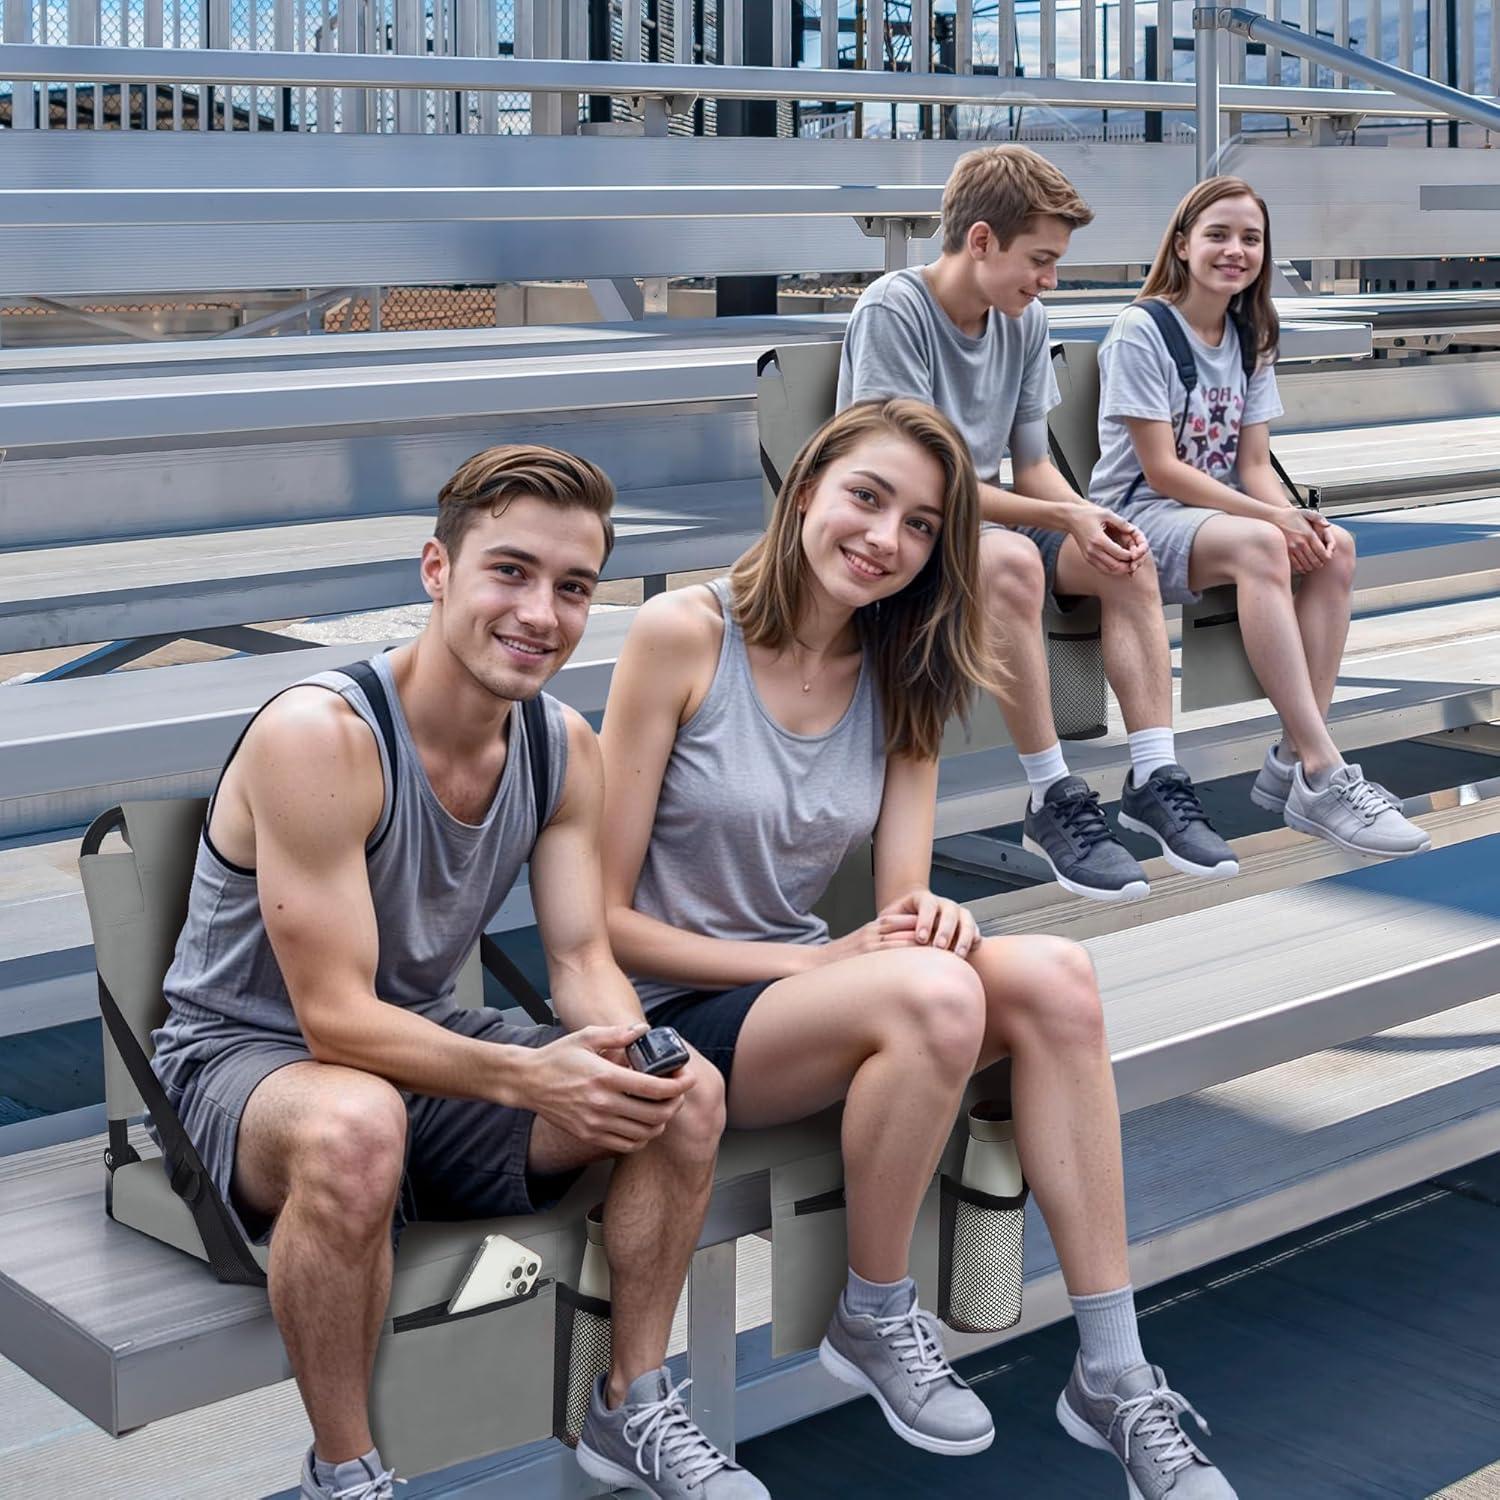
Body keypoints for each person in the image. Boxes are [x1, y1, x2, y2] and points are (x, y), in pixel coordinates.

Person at [599, 399, 1237, 1498]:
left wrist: (934, 917)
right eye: (867, 497)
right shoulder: (683, 636)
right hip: (682, 1011)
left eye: (920, 523)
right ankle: (874, 1313)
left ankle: (1115, 1374)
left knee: (1056, 976)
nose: (886, 537)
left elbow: (897, 900)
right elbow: (598, 919)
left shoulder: (907, 663)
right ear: (805, 492)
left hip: (823, 988)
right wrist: (810, 964)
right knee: (937, 1004)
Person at [149, 445, 768, 1500]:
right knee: (355, 1127)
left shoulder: (563, 745)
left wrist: (626, 1050)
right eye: (511, 571)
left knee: (683, 1091)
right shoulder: (321, 738)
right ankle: (346, 1472)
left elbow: (580, 959)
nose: (541, 612)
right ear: (437, 570)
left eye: (574, 587)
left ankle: (632, 1404)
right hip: (249, 1064)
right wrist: (535, 1080)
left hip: (425, 1051)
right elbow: (336, 1022)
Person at [839, 143, 1238, 903]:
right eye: (1040, 258)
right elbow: (918, 482)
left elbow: (1031, 466)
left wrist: (1088, 517)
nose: (1050, 279)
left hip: (983, 515)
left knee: (1130, 551)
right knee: (1013, 562)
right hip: (903, 526)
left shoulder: (1022, 319)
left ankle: (1154, 775)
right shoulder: (895, 308)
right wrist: (1058, 513)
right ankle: (1050, 797)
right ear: (981, 240)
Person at [1091, 176, 1429, 859]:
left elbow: (1251, 466)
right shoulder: (1142, 330)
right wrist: (1272, 524)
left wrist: (1297, 519)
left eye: (1251, 238)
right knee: (1265, 545)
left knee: (1335, 546)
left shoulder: (1252, 334)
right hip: (1139, 519)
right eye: (1218, 234)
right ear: (1182, 245)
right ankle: (1324, 769)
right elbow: (1161, 470)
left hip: (1218, 519)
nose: (1235, 250)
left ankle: (1292, 760)